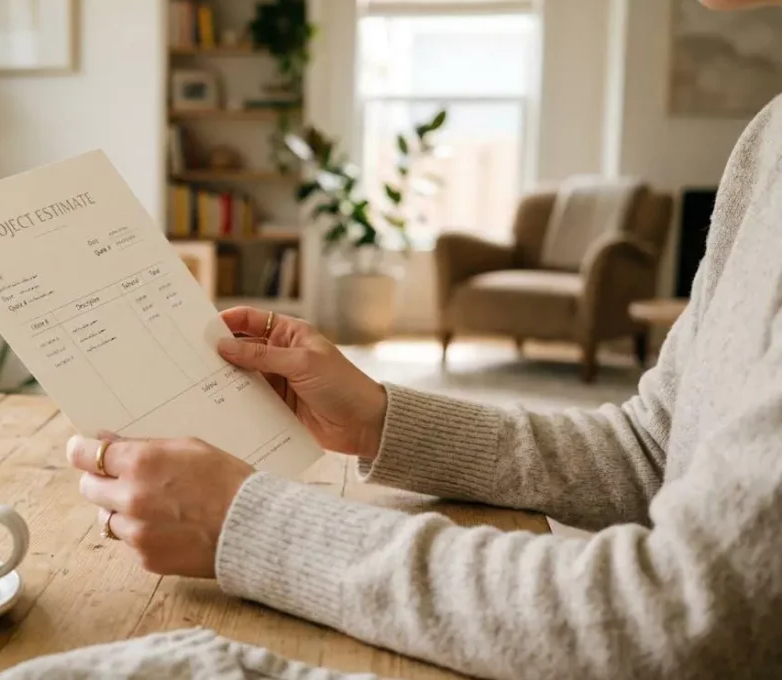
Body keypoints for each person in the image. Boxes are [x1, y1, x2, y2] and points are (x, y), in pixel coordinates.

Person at [67, 3, 782, 677]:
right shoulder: (767, 140)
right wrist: (381, 419)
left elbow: (684, 621)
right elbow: (649, 450)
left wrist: (247, 525)